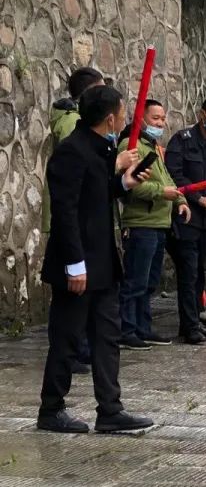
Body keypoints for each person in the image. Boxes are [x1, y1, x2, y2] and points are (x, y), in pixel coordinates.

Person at [39, 84, 155, 433]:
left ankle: (110, 408)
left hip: (103, 264)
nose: (124, 118)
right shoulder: (72, 152)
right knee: (68, 338)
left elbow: (98, 195)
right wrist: (74, 264)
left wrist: (124, 184)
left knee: (107, 336)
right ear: (109, 118)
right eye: (122, 112)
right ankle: (51, 409)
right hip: (77, 264)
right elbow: (66, 212)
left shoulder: (100, 151)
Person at [44, 66, 106, 374]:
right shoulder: (74, 134)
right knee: (68, 321)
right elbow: (69, 202)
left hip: (89, 231)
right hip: (76, 235)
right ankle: (54, 401)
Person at [117, 100, 191, 349]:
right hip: (141, 223)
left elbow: (168, 178)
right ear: (141, 118)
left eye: (162, 118)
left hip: (159, 222)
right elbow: (132, 186)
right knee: (135, 281)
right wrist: (163, 193)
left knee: (149, 282)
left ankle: (143, 327)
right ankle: (127, 329)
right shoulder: (132, 146)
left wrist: (180, 199)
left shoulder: (154, 147)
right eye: (155, 118)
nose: (160, 123)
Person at [165, 95, 206, 344]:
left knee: (199, 274)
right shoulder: (182, 141)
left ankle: (193, 322)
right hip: (186, 218)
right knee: (188, 273)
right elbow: (175, 177)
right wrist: (198, 197)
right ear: (202, 114)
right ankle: (190, 327)